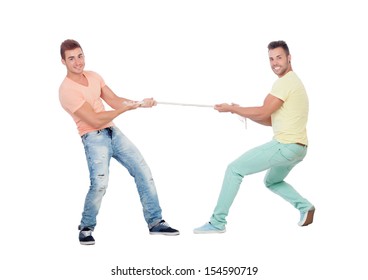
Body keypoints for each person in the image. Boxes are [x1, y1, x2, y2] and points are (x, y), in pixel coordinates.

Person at [59, 39, 179, 245]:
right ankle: (86, 227)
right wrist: (124, 110)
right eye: (72, 59)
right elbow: (95, 120)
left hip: (113, 132)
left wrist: (140, 103)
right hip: (93, 138)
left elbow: (114, 100)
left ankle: (155, 222)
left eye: (80, 56)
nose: (78, 62)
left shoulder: (94, 76)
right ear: (63, 62)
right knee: (100, 184)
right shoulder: (66, 91)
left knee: (143, 171)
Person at [194, 40, 315, 234]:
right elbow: (269, 119)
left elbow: (263, 111)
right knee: (272, 181)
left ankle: (217, 222)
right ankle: (305, 207)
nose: (275, 63)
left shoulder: (285, 82)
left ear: (289, 58)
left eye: (279, 57)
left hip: (285, 146)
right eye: (271, 59)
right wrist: (238, 111)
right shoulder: (293, 83)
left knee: (234, 169)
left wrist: (233, 108)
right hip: (299, 148)